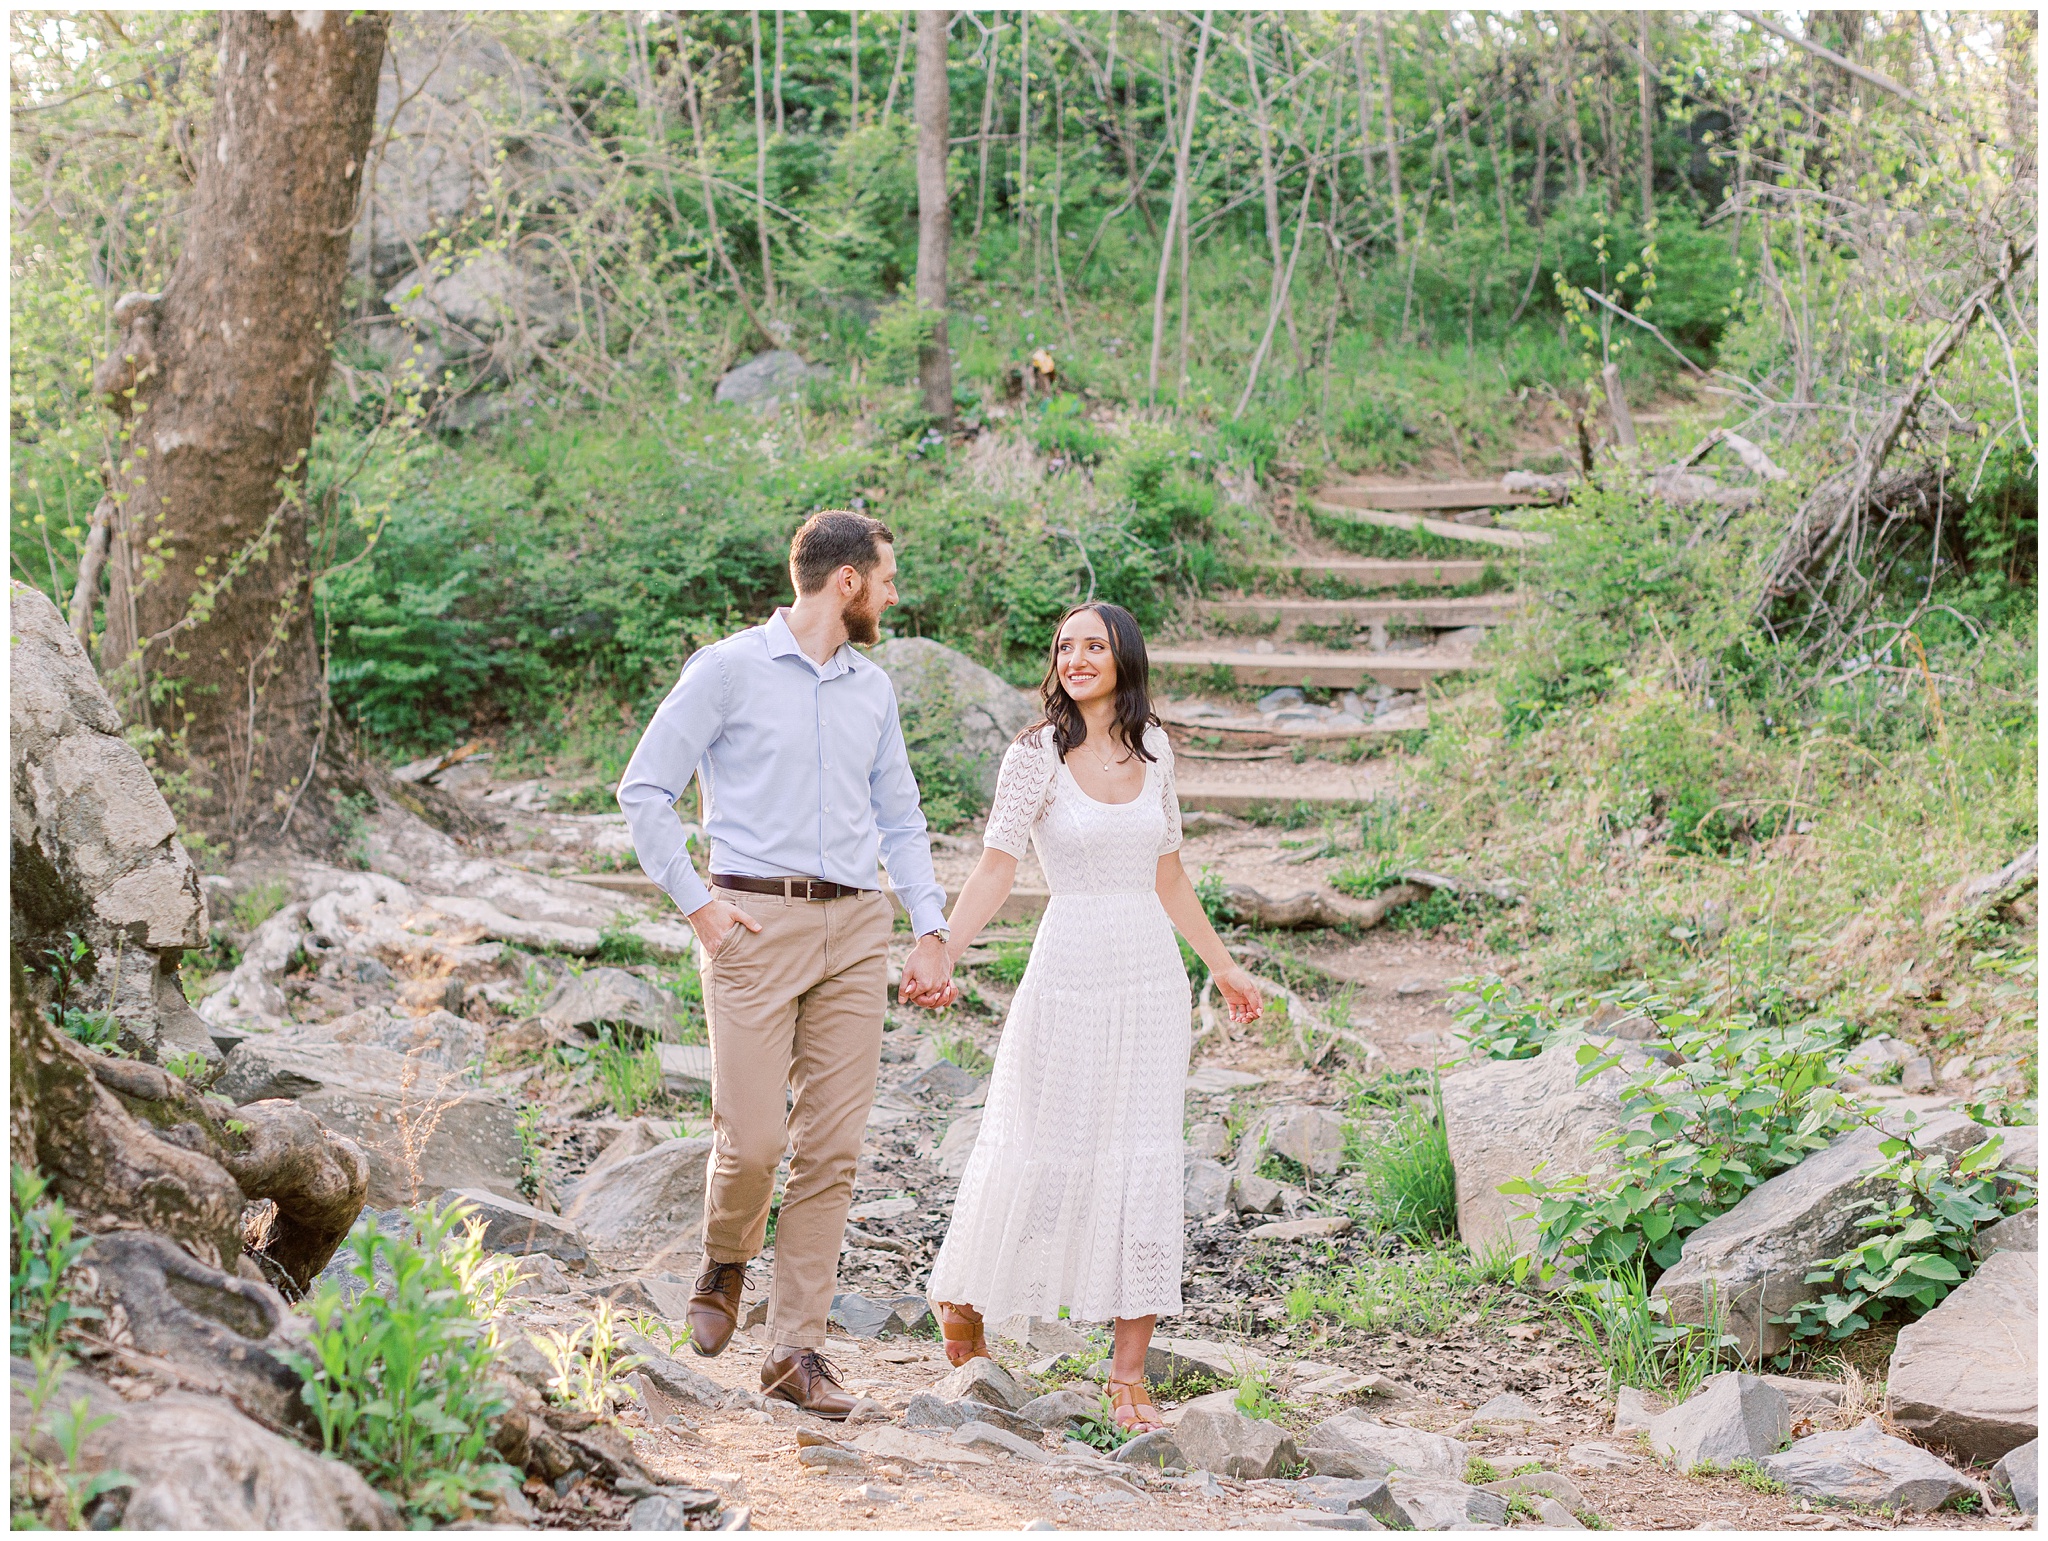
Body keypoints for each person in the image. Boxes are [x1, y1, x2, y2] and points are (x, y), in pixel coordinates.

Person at [617, 509, 957, 1419]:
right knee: (755, 1139)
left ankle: (794, 1348)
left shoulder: (872, 690)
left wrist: (929, 926)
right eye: (886, 578)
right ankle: (726, 1257)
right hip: (752, 925)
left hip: (856, 926)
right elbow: (643, 789)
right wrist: (698, 904)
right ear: (848, 581)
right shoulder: (726, 669)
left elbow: (901, 816)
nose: (893, 595)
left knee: (832, 1148)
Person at [922, 602, 1263, 1434]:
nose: (1075, 658)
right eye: (1064, 646)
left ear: (1123, 658)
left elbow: (1169, 874)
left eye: (1093, 646)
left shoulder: (1157, 750)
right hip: (1066, 970)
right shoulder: (1034, 754)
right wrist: (942, 949)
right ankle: (964, 1294)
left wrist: (1222, 964)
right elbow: (996, 868)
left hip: (1149, 979)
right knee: (1036, 1135)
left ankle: (1128, 1375)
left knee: (1143, 1155)